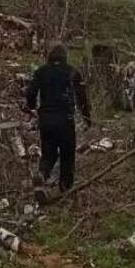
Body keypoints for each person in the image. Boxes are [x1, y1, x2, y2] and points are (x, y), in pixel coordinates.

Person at [24, 45, 91, 194]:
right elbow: (82, 97)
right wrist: (87, 118)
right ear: (65, 56)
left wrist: (30, 108)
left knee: (48, 153)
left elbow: (31, 92)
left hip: (46, 120)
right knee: (67, 154)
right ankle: (65, 189)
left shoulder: (41, 71)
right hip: (65, 120)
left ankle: (41, 176)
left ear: (50, 56)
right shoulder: (72, 72)